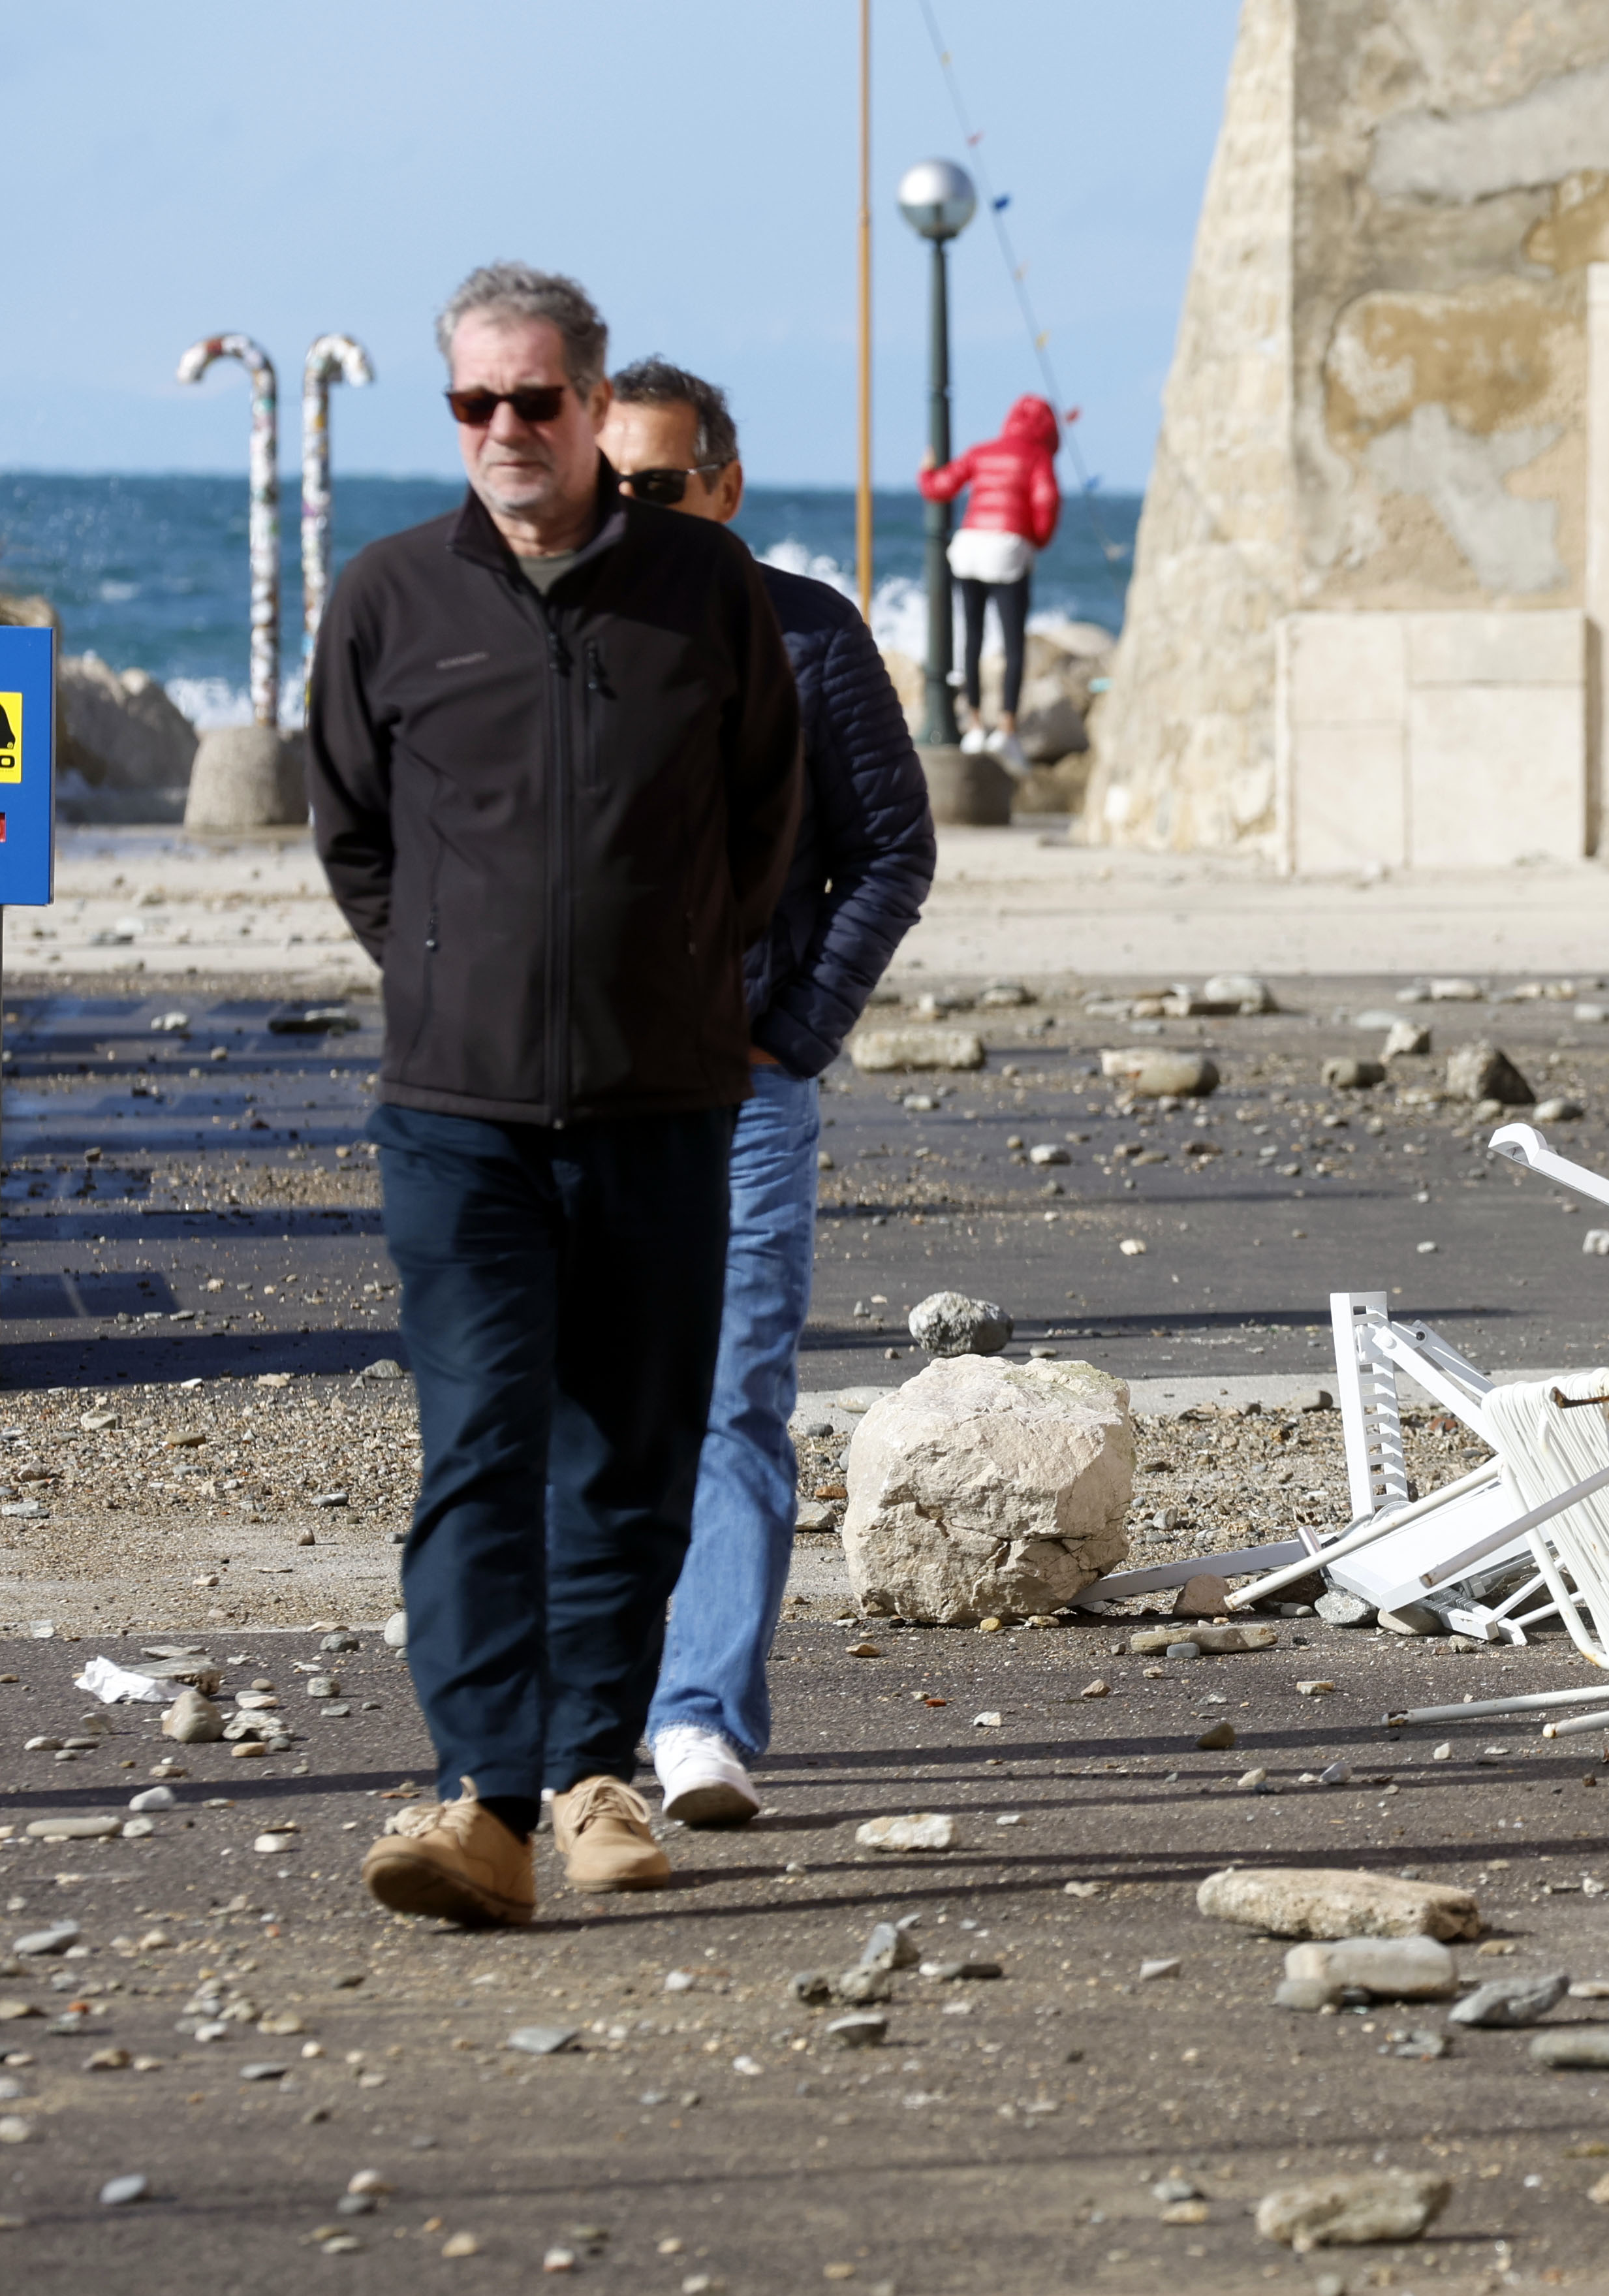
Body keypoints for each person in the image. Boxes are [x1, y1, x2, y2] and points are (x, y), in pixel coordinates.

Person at [309, 262, 804, 1928]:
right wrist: (454, 971)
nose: (506, 430)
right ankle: (482, 1800)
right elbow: (355, 836)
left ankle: (598, 1775)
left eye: (536, 399)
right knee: (480, 1446)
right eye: (475, 403)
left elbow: (764, 820)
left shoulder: (705, 590)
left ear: (594, 406)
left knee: (633, 1452)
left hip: (663, 1106)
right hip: (457, 1115)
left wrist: (680, 976)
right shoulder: (387, 597)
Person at [601, 360, 936, 1829]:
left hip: (740, 1093)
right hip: (577, 1098)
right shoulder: (554, 634)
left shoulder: (809, 637)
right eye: (608, 487)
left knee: (734, 1401)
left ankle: (700, 1723)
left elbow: (892, 849)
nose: (630, 514)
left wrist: (792, 1031)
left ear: (723, 486)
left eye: (658, 488)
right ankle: (580, 1717)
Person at [919, 393, 1063, 768]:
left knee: (973, 637)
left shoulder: (983, 451)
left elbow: (941, 486)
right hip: (1008, 550)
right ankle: (1007, 730)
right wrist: (1037, 539)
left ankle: (975, 725)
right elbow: (1046, 502)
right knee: (1013, 643)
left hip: (968, 549)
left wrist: (926, 472)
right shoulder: (1037, 457)